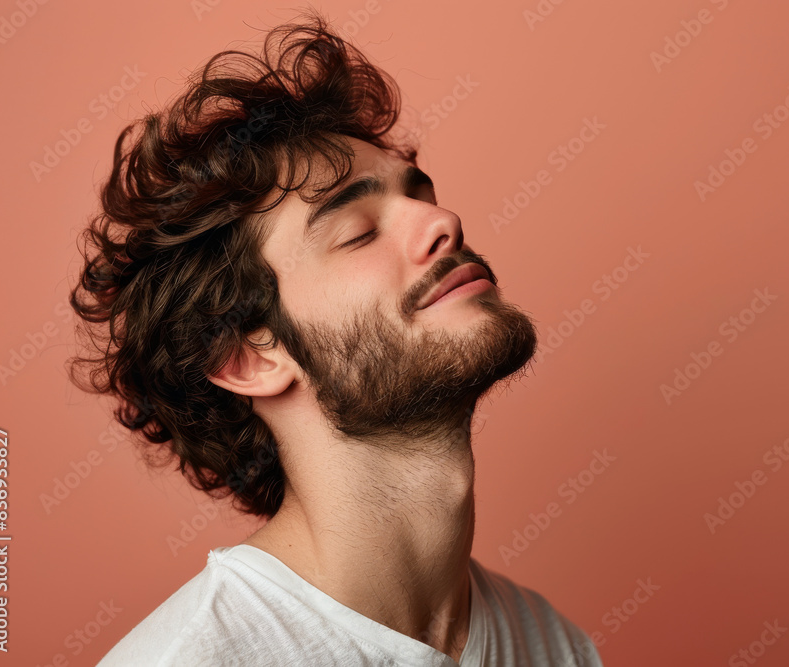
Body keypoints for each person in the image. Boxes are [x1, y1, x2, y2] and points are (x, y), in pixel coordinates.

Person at [68, 8, 603, 666]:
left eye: (421, 195)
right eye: (358, 230)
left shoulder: (556, 645)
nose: (443, 221)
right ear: (248, 355)